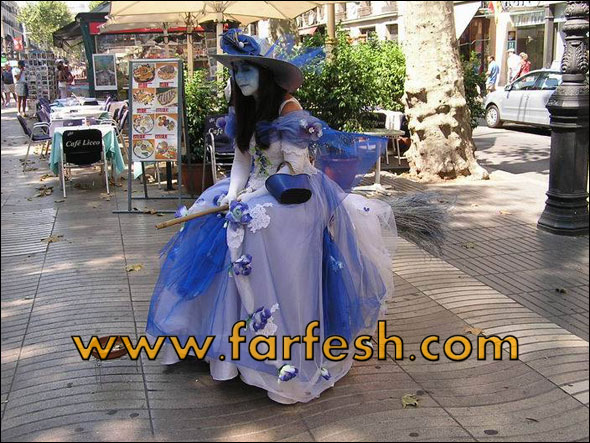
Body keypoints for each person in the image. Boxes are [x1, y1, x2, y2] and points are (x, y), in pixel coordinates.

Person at [146, 30, 396, 404]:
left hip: (293, 192)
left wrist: (248, 199)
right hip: (255, 190)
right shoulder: (244, 109)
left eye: (246, 69)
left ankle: (276, 353)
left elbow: (295, 167)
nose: (239, 78)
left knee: (251, 226)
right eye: (235, 71)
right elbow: (242, 160)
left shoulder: (289, 110)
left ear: (265, 73)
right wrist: (233, 194)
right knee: (206, 213)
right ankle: (215, 341)